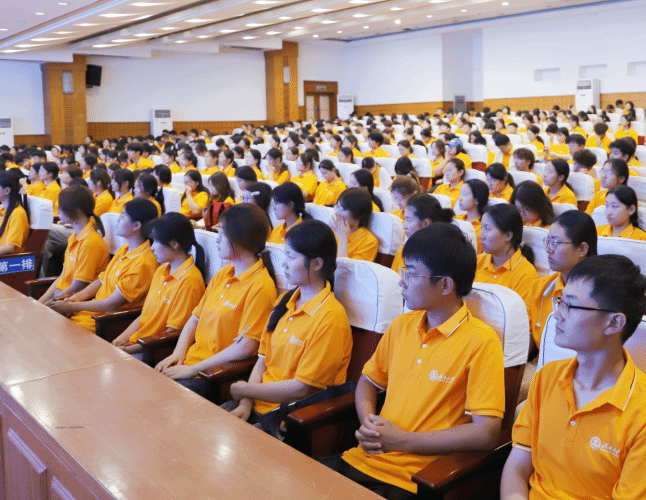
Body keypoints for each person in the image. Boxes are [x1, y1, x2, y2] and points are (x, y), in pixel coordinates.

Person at [324, 223, 504, 499]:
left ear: (445, 284)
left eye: (411, 273)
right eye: (403, 271)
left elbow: (486, 433)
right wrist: (369, 424)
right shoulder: (402, 325)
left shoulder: (481, 341)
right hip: (362, 459)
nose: (402, 281)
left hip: (414, 479)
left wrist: (403, 441)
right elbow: (368, 381)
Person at [501, 254, 646, 500]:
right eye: (560, 301)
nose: (557, 314)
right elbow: (517, 467)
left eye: (570, 306)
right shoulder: (547, 377)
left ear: (614, 323)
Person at [223, 220, 352, 440]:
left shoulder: (330, 318)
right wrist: (245, 403)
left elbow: (302, 388)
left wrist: (246, 391)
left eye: (291, 257)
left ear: (316, 263)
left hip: (287, 418)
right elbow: (262, 361)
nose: (284, 264)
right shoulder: (285, 301)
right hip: (256, 404)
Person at [155, 204, 279, 400]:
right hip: (191, 364)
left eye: (222, 234)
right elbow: (195, 319)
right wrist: (177, 354)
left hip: (213, 374)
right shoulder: (224, 274)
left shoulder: (261, 286)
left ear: (241, 239)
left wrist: (193, 369)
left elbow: (246, 347)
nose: (217, 239)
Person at [49, 198, 160, 333]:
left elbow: (110, 304)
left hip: (105, 321)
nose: (118, 220)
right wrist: (75, 298)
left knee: (53, 330)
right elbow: (102, 280)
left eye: (123, 216)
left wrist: (72, 307)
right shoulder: (124, 249)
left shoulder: (144, 263)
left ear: (136, 225)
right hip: (90, 312)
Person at [111, 212, 206, 356]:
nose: (152, 247)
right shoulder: (161, 270)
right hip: (135, 344)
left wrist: (128, 350)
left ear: (174, 244)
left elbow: (171, 333)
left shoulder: (190, 281)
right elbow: (144, 315)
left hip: (153, 351)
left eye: (156, 241)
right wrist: (120, 340)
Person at [523, 211, 597, 350]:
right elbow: (528, 340)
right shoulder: (540, 287)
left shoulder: (600, 294)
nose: (548, 249)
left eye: (555, 243)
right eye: (547, 241)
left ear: (582, 249)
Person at [36, 186, 110, 305]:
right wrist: (39, 303)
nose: (58, 210)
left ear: (77, 212)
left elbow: (77, 287)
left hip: (70, 302)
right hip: (60, 296)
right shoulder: (74, 237)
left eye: (61, 207)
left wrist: (48, 305)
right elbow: (62, 278)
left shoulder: (90, 243)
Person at [475, 204, 538, 296]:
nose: (481, 236)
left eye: (487, 229)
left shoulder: (526, 275)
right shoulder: (477, 262)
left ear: (508, 235)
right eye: (482, 228)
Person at [333, 187, 379, 262]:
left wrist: (343, 238)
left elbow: (343, 268)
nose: (337, 213)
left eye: (342, 209)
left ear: (358, 215)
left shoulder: (369, 242)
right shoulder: (335, 230)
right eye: (337, 207)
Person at [456, 179, 489, 253]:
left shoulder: (484, 227)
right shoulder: (456, 219)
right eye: (460, 194)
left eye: (464, 194)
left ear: (477, 200)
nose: (460, 198)